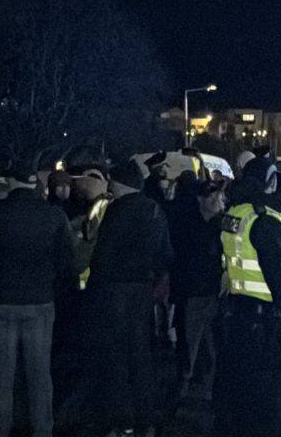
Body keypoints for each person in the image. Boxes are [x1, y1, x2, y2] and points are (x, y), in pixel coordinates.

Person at [214, 155, 281, 437]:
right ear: (269, 182)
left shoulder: (235, 213)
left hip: (234, 313)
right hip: (262, 324)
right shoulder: (264, 220)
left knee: (234, 391)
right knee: (264, 398)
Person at [0, 163, 75, 437]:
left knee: (2, 373)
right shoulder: (53, 215)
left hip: (1, 299)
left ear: (11, 182)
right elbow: (66, 260)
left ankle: (0, 428)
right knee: (39, 372)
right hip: (39, 300)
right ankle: (42, 428)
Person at [82, 158, 173, 436]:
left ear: (119, 183)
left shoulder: (115, 211)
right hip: (142, 291)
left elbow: (102, 254)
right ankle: (146, 418)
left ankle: (122, 421)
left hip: (114, 292)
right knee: (141, 355)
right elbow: (166, 253)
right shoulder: (154, 209)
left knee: (116, 357)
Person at [169, 178, 226, 396]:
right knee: (190, 341)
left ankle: (204, 383)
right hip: (192, 292)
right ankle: (184, 384)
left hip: (214, 291)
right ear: (199, 199)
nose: (216, 200)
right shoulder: (187, 224)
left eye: (218, 196)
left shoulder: (222, 225)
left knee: (210, 341)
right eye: (211, 196)